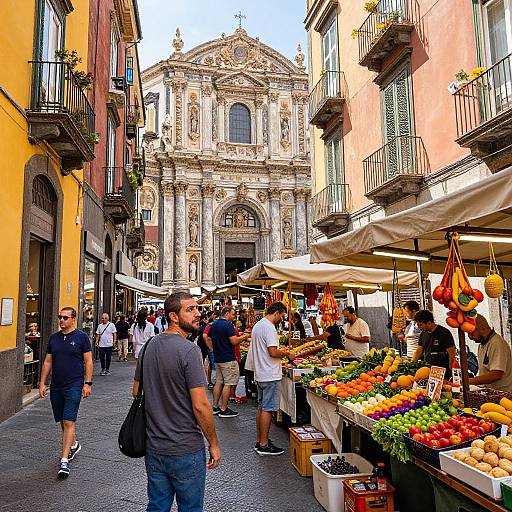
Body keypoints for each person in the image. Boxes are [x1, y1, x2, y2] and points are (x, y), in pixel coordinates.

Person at [133, 291, 221, 512]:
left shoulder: (148, 347)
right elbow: (200, 406)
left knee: (156, 506)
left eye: (197, 308)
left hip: (154, 446)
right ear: (173, 316)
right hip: (185, 448)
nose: (197, 314)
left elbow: (136, 391)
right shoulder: (189, 350)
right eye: (190, 309)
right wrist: (213, 443)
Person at [38, 307, 93, 478]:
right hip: (57, 386)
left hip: (74, 385)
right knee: (63, 421)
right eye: (60, 317)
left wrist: (87, 383)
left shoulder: (81, 337)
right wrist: (41, 383)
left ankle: (64, 461)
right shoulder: (54, 338)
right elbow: (48, 361)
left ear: (73, 319)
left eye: (65, 318)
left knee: (69, 421)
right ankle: (74, 444)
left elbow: (88, 360)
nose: (61, 320)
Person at [246, 302, 291, 456]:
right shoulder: (270, 328)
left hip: (260, 373)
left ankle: (260, 440)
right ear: (277, 313)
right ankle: (264, 444)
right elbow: (273, 352)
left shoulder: (259, 325)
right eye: (282, 315)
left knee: (261, 407)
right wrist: (286, 353)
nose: (282, 319)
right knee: (268, 409)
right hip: (270, 374)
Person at [210, 306, 250, 417]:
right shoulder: (228, 325)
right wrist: (245, 336)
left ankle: (215, 407)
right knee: (228, 383)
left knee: (219, 382)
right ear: (227, 313)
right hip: (228, 359)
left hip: (218, 358)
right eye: (233, 314)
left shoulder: (215, 324)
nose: (234, 317)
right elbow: (233, 341)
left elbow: (209, 338)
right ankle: (223, 409)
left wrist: (213, 349)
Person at [468, 315, 512, 392]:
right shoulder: (482, 345)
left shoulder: (497, 343)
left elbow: (496, 374)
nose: (470, 337)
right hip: (489, 392)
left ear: (482, 328)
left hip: (503, 394)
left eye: (471, 333)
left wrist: (468, 381)